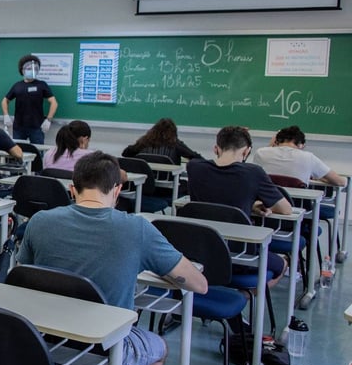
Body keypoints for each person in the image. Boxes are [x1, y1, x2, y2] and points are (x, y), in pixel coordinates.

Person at [17, 151, 207, 365]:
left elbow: (21, 276)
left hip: (44, 345)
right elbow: (199, 284)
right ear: (117, 190)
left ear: (72, 189)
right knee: (160, 348)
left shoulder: (39, 222)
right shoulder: (136, 229)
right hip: (107, 355)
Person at [186, 125, 292, 285]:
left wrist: (250, 203)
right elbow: (286, 209)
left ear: (216, 149)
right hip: (240, 254)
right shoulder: (253, 173)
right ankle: (245, 297)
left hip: (198, 251)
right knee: (283, 263)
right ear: (246, 152)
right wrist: (255, 203)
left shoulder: (194, 167)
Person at [252, 125, 348, 189]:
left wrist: (270, 145)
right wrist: (320, 178)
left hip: (266, 205)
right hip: (298, 206)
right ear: (301, 145)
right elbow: (341, 182)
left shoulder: (261, 153)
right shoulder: (308, 157)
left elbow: (255, 177)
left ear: (276, 141)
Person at [1, 54, 57, 144]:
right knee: (18, 152)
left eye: (35, 68)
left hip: (37, 126)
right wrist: (6, 115)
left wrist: (48, 120)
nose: (32, 71)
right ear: (22, 70)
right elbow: (5, 101)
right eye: (29, 69)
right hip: (19, 127)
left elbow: (54, 102)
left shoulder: (42, 85)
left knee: (38, 152)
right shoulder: (17, 85)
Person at [122, 117, 203, 164]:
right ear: (173, 132)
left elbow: (125, 153)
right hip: (169, 187)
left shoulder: (144, 142)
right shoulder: (175, 144)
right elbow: (195, 156)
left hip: (146, 185)